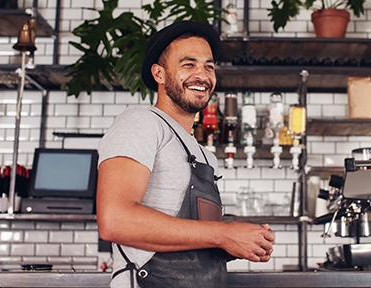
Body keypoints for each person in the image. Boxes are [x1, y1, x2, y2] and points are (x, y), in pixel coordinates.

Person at [96, 20, 275, 288]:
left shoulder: (205, 156)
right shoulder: (141, 123)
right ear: (159, 74)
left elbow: (197, 238)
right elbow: (115, 220)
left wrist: (237, 242)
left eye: (209, 66)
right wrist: (224, 234)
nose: (202, 75)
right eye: (188, 64)